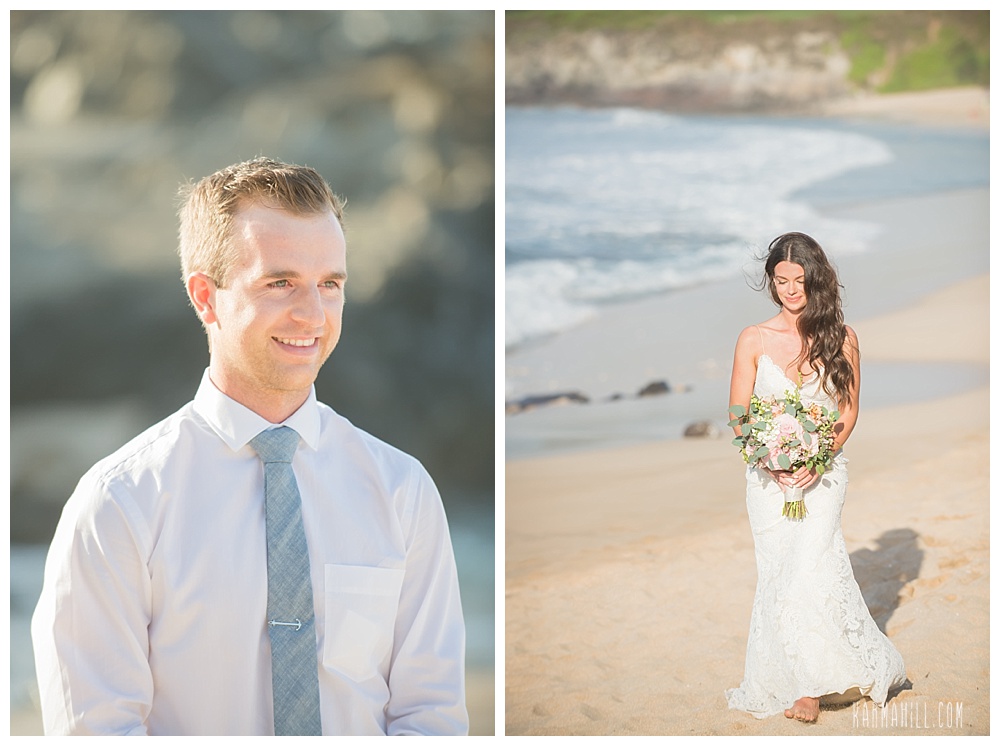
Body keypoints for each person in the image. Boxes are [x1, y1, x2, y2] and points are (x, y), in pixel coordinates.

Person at [30, 157, 469, 736]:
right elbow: (95, 730)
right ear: (205, 298)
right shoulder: (118, 504)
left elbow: (429, 715)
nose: (313, 313)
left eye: (330, 284)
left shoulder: (402, 489)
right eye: (280, 282)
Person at [724, 232, 907, 723]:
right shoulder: (753, 339)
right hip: (766, 479)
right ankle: (795, 673)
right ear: (770, 281)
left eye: (799, 280)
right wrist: (769, 457)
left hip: (823, 474)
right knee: (780, 572)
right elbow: (739, 411)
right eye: (781, 280)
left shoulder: (842, 338)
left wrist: (816, 456)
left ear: (815, 279)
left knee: (814, 563)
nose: (789, 290)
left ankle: (810, 688)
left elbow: (847, 412)